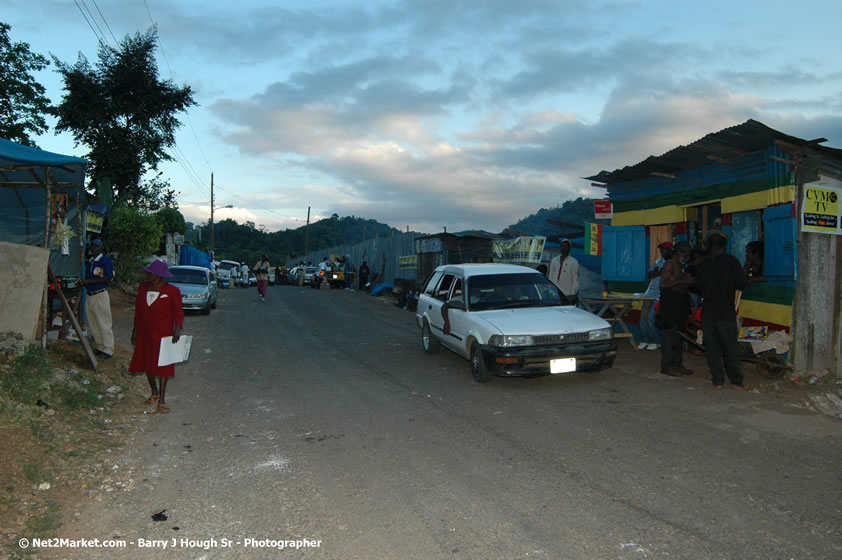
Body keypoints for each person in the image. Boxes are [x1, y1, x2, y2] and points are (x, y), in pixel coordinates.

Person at [696, 231, 749, 390]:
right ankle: (736, 382)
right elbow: (741, 283)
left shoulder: (703, 265)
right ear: (724, 246)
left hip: (709, 312)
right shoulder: (731, 261)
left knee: (712, 348)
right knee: (730, 347)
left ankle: (718, 381)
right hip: (725, 311)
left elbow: (699, 288)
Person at [129, 260, 184, 414]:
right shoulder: (143, 288)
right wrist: (135, 331)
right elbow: (139, 312)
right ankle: (154, 391)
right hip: (145, 333)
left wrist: (177, 329)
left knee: (163, 366)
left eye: (150, 272)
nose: (147, 274)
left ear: (157, 275)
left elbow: (178, 312)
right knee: (147, 363)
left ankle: (162, 401)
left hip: (163, 334)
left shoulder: (172, 291)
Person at [658, 241, 695, 377]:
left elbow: (682, 285)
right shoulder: (669, 265)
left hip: (679, 305)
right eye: (686, 254)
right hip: (669, 306)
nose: (687, 257)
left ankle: (678, 364)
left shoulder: (680, 266)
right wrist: (683, 282)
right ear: (679, 252)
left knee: (678, 335)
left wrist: (689, 297)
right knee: (669, 336)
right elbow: (663, 284)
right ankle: (667, 366)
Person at [78, 238, 114, 359]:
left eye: (96, 247)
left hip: (100, 295)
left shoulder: (105, 261)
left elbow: (108, 278)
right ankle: (100, 345)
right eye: (92, 247)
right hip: (90, 294)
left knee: (103, 321)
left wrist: (87, 281)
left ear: (100, 248)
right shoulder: (91, 261)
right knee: (93, 321)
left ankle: (108, 348)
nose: (94, 249)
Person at [638, 241, 673, 351]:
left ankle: (655, 341)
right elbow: (650, 274)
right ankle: (645, 339)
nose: (662, 252)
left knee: (650, 318)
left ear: (671, 251)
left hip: (661, 296)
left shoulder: (673, 263)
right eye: (661, 250)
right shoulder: (658, 261)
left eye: (664, 249)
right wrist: (658, 272)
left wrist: (659, 272)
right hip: (649, 294)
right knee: (643, 318)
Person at [548, 239, 579, 305]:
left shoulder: (574, 262)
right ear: (560, 247)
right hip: (555, 293)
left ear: (569, 248)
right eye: (562, 246)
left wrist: (572, 294)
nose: (564, 247)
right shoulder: (554, 260)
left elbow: (575, 279)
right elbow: (550, 276)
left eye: (566, 246)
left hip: (567, 293)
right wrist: (551, 290)